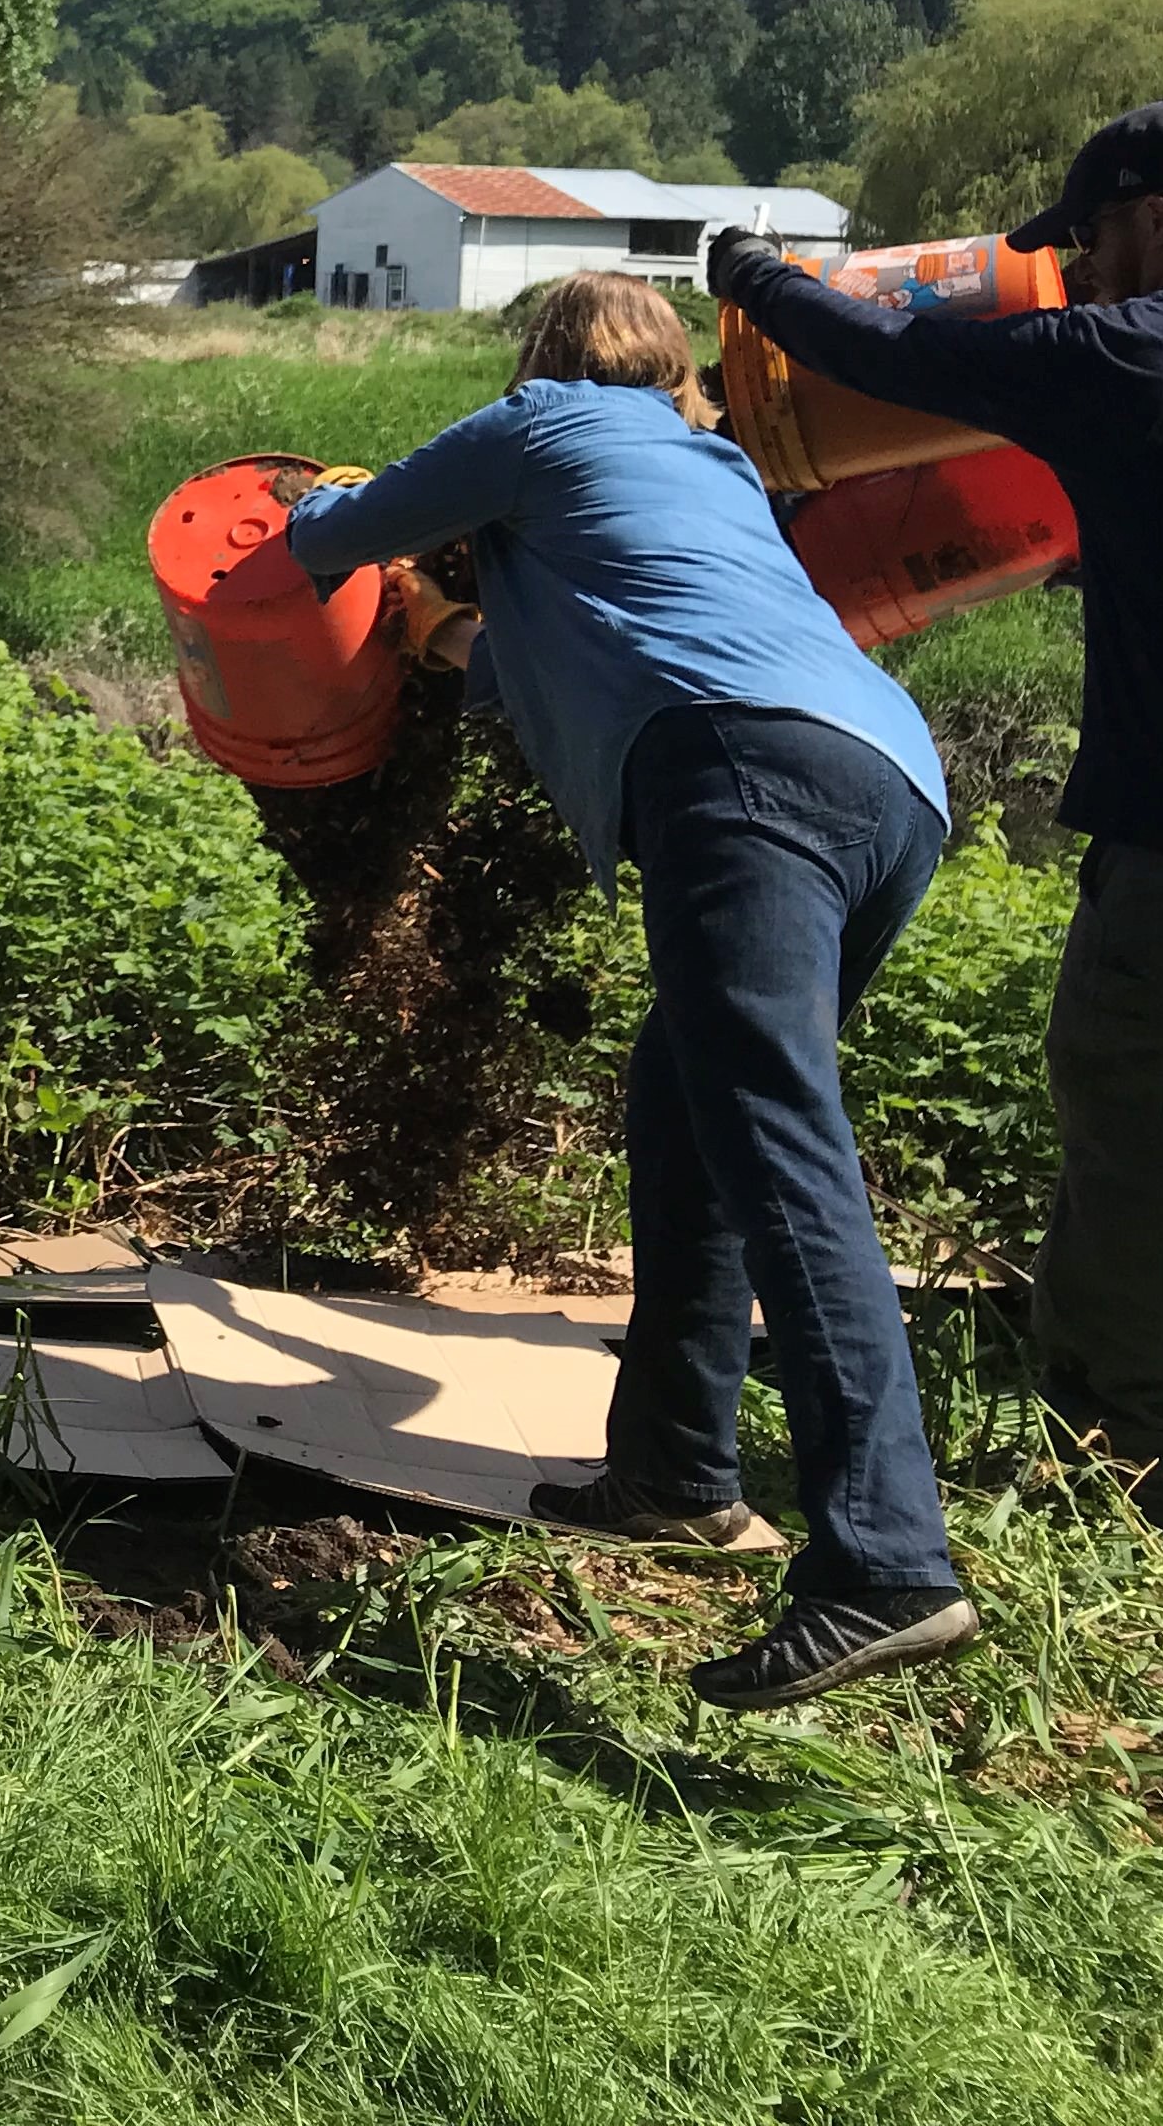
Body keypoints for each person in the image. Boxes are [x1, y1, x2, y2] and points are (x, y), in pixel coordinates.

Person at [712, 101, 1163, 1542]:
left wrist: (752, 274)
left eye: (1082, 244)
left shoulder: (1124, 356)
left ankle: (1118, 1454)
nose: (1075, 274)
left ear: (1154, 215)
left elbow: (889, 354)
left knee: (1160, 1141)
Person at [290, 272, 974, 1709]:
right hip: (885, 780)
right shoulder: (710, 466)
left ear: (544, 357)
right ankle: (676, 1473)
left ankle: (887, 1562)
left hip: (740, 776)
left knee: (781, 1145)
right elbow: (561, 647)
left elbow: (329, 538)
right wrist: (446, 634)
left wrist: (320, 510)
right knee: (688, 1107)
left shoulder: (539, 422)